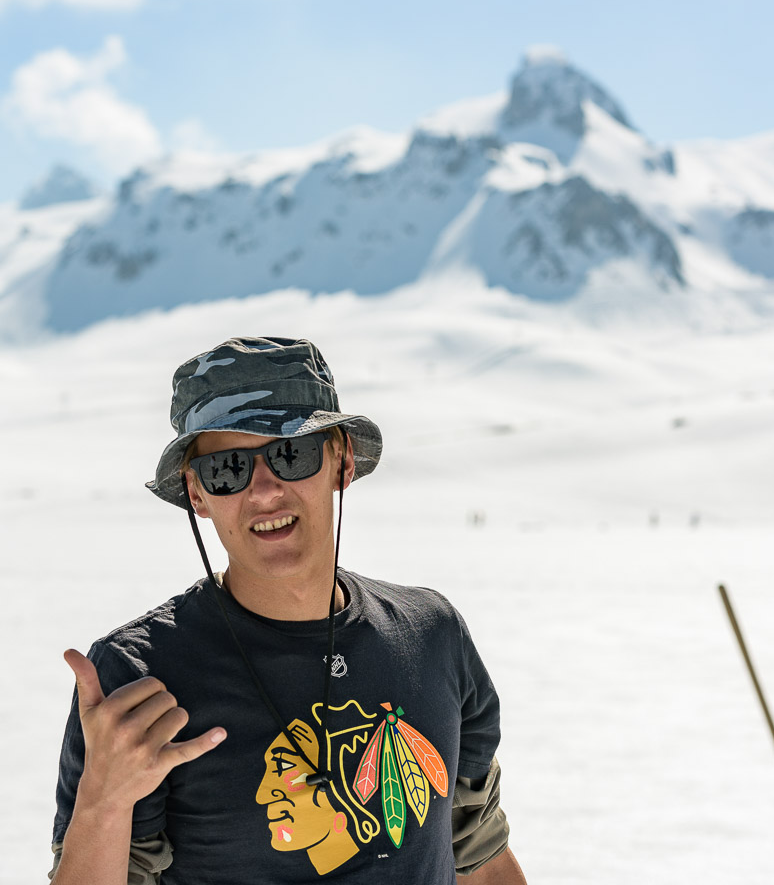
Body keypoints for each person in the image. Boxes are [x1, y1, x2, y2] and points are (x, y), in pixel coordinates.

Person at [49, 336, 527, 884]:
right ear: (196, 494)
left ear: (341, 460)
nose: (263, 491)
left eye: (291, 454)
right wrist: (102, 804)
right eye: (226, 469)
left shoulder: (432, 635)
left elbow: (480, 855)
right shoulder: (139, 676)